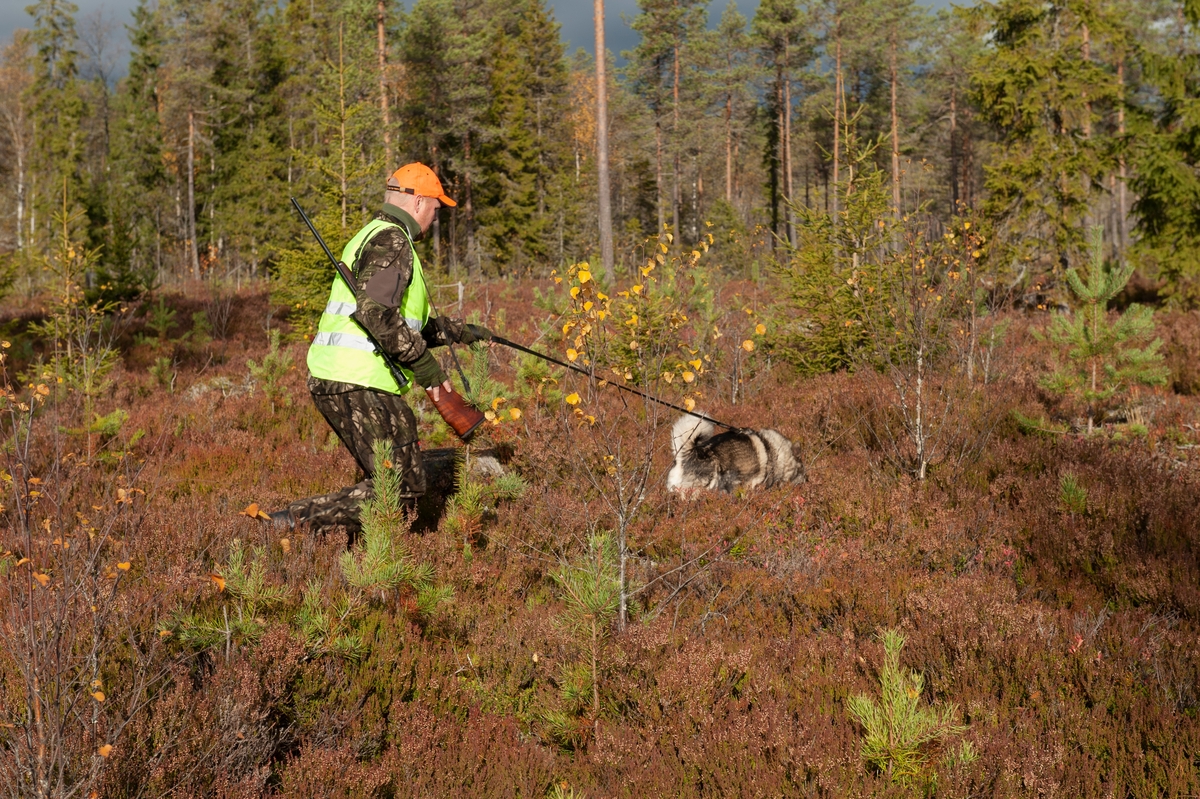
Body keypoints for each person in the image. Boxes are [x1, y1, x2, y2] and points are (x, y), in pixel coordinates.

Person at [270, 163, 490, 530]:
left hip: (344, 378)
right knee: (399, 490)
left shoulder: (374, 234)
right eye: (436, 209)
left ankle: (335, 545)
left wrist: (459, 331)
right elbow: (375, 313)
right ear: (418, 201)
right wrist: (427, 370)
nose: (435, 218)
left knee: (395, 482)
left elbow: (397, 318)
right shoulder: (393, 240)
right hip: (359, 380)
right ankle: (287, 524)